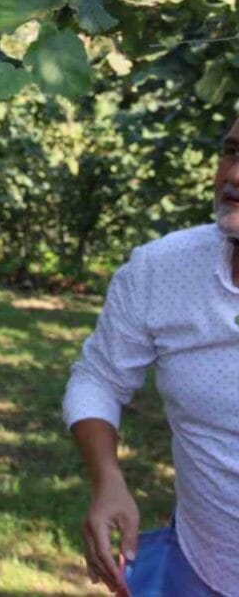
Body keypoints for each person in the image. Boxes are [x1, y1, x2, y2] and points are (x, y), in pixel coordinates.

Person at [63, 118, 239, 596]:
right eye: (232, 151)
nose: (234, 176)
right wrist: (107, 479)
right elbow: (97, 378)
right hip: (201, 568)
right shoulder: (163, 269)